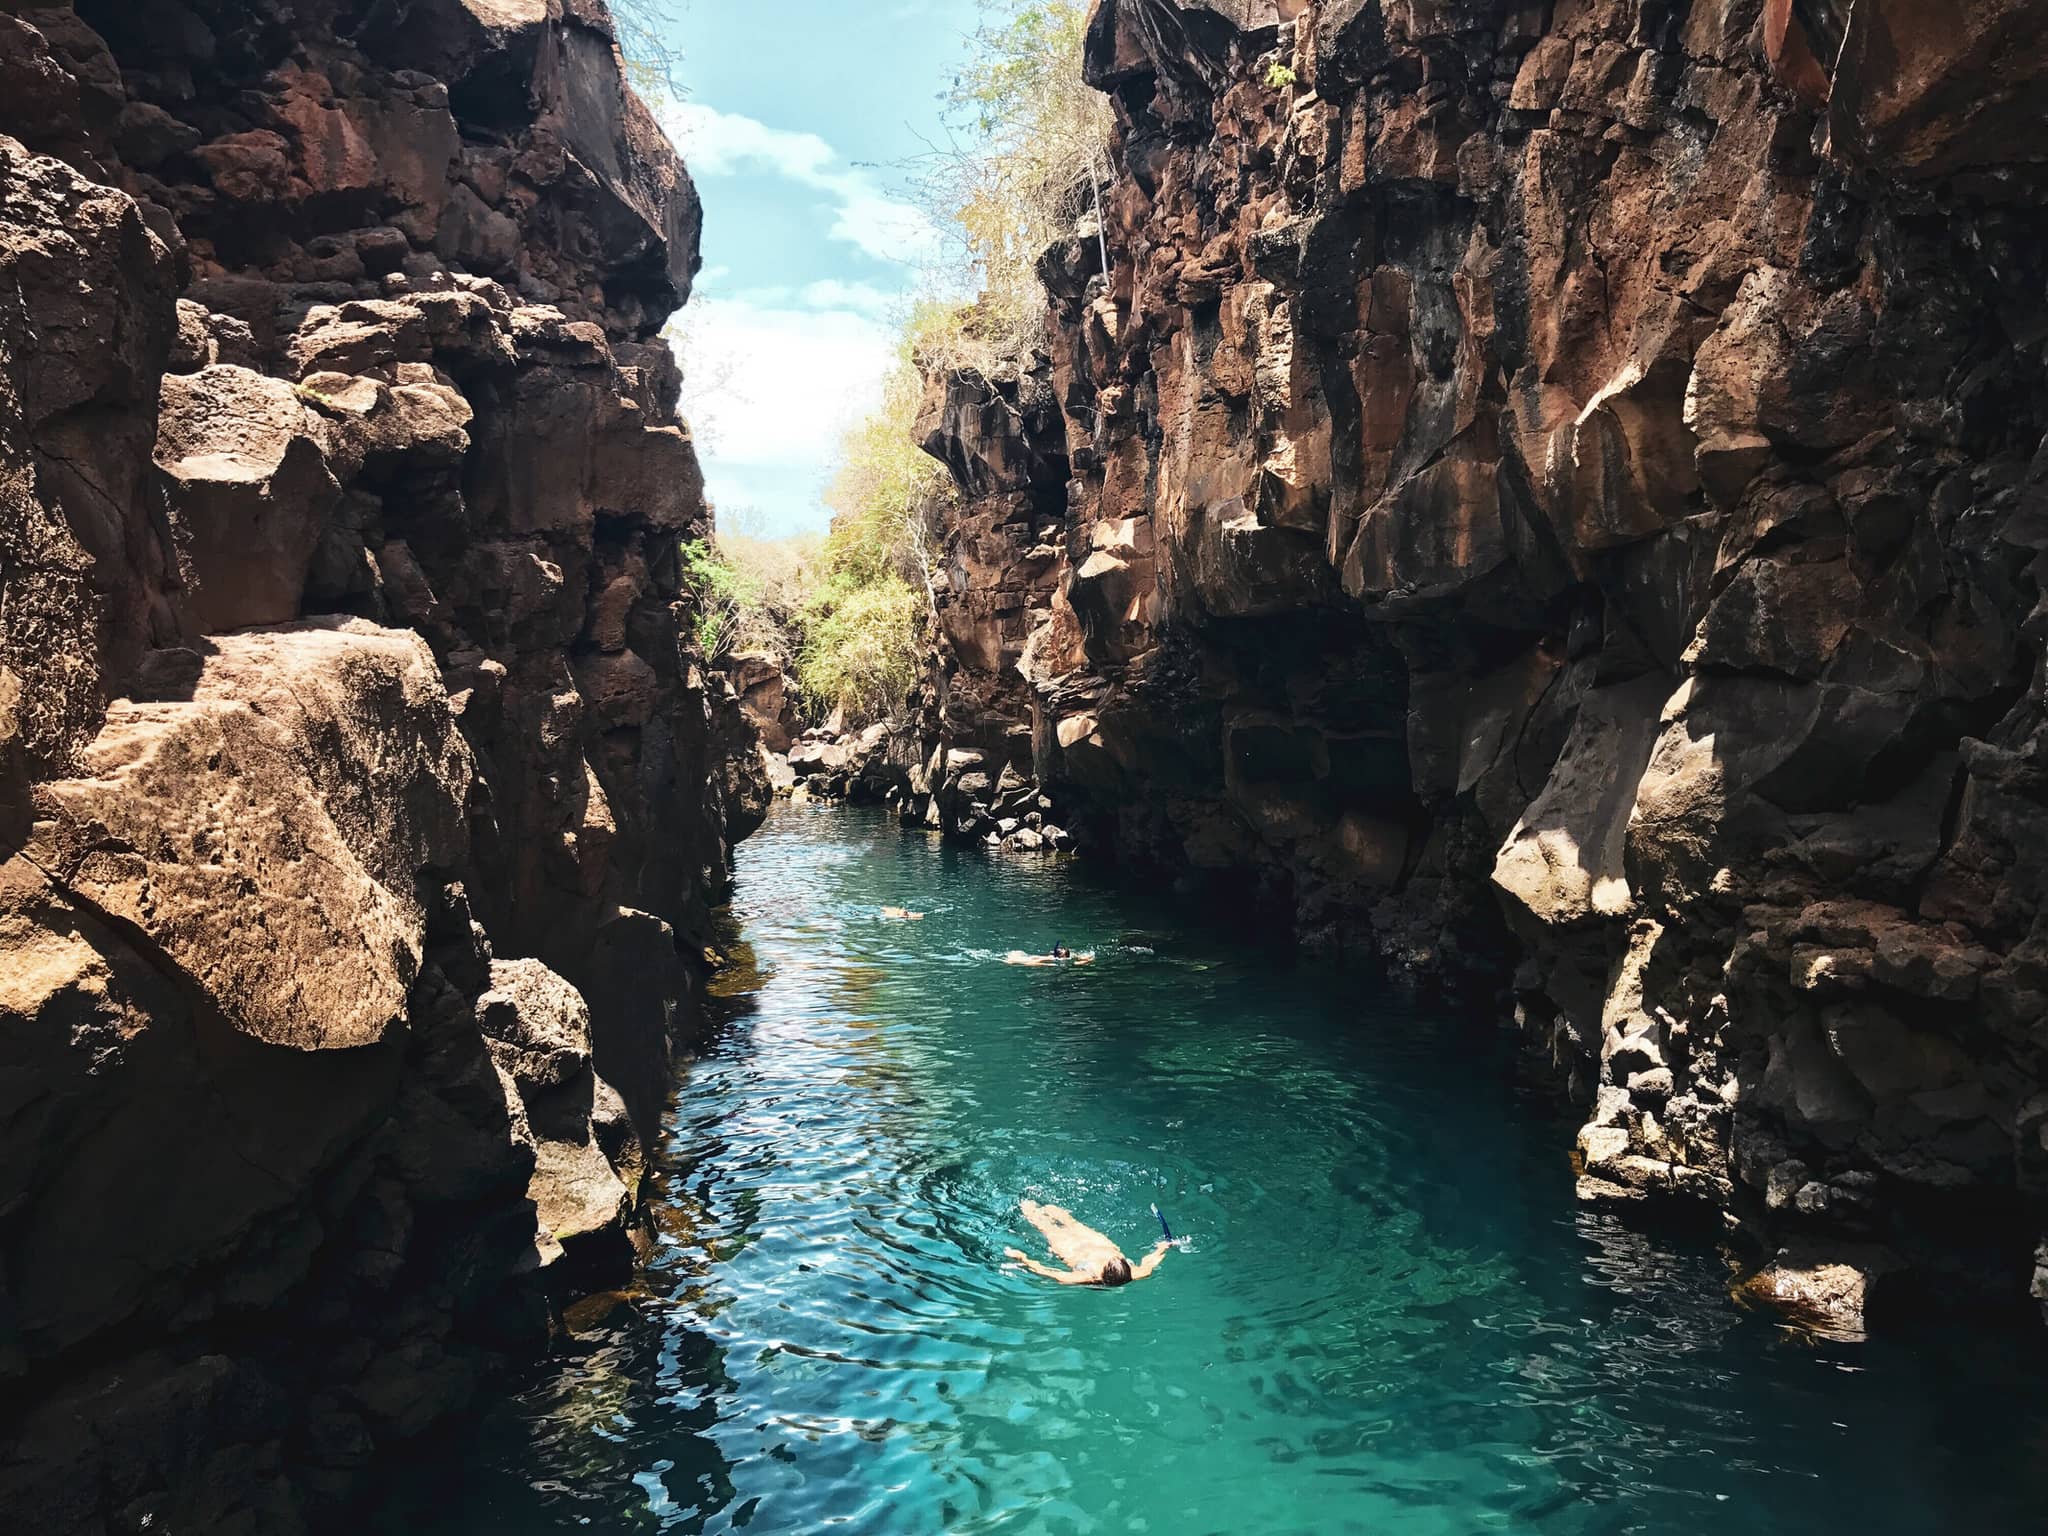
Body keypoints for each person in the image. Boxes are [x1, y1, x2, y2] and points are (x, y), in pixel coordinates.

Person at [1002, 1199, 1172, 1287]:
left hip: (1072, 1249)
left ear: (1103, 1274)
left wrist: (1022, 1258)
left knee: (1046, 1227)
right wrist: (1161, 1248)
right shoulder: (1137, 1273)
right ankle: (1050, 1208)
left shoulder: (1086, 1277)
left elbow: (1046, 1271)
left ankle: (1025, 1204)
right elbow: (1150, 1262)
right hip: (1099, 1243)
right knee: (1073, 1223)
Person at [1003, 945, 1094, 967]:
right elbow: (1033, 962)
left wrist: (1087, 959)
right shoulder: (1053, 959)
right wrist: (1047, 965)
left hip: (1028, 956)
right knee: (1028, 959)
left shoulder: (1069, 956)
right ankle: (1012, 960)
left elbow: (1077, 960)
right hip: (1025, 959)